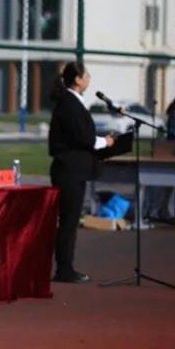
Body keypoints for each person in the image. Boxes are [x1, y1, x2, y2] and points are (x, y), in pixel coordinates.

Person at [49, 62, 114, 283]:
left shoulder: (73, 102)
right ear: (77, 79)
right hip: (69, 171)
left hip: (74, 170)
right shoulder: (69, 103)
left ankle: (66, 266)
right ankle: (64, 268)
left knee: (70, 220)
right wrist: (105, 142)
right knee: (68, 221)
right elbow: (83, 136)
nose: (89, 79)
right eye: (87, 75)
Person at [144, 94, 175, 222]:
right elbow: (171, 131)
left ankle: (170, 211)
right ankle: (161, 210)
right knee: (168, 184)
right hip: (172, 150)